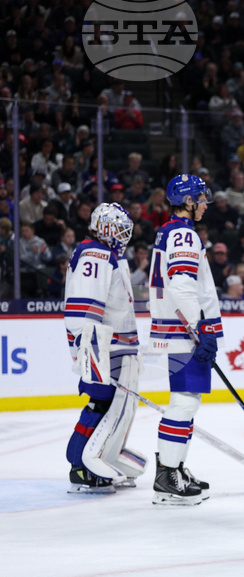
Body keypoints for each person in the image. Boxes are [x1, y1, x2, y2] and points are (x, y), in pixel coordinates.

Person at [148, 174, 221, 506]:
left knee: (185, 400)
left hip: (179, 331)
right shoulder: (182, 234)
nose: (205, 203)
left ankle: (173, 467)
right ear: (189, 202)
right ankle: (167, 474)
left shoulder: (172, 231)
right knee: (185, 401)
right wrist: (199, 327)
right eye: (201, 198)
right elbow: (181, 285)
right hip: (183, 334)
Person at [63, 203, 144, 492]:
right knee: (101, 403)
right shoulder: (95, 253)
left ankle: (102, 456)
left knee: (116, 406)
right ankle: (80, 465)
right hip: (103, 349)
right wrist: (90, 349)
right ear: (105, 228)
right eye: (119, 228)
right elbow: (81, 310)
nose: (124, 235)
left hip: (115, 347)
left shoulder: (109, 255)